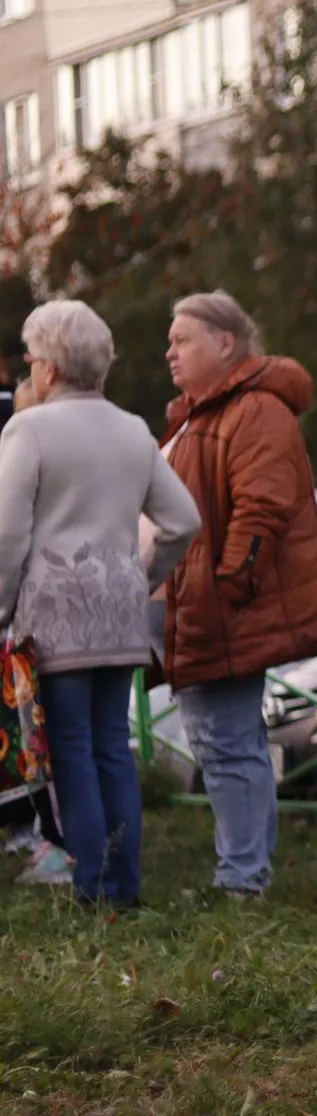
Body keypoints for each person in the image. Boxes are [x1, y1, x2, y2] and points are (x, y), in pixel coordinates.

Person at [0, 301, 201, 906]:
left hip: (54, 612)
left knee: (71, 750)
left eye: (32, 359)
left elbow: (8, 533)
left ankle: (89, 888)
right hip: (119, 612)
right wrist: (138, 578)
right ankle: (125, 887)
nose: (31, 370)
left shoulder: (28, 429)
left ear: (51, 370)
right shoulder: (133, 429)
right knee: (113, 745)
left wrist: (3, 606)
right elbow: (183, 521)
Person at [161, 291, 317, 899]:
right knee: (220, 743)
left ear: (225, 343)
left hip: (223, 607)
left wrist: (226, 586)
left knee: (227, 744)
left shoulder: (255, 410)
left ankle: (243, 879)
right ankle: (242, 872)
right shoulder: (202, 413)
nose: (169, 351)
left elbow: (262, 508)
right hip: (201, 606)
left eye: (182, 339)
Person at [0, 369, 75, 887]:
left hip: (34, 624)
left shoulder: (40, 465)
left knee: (46, 738)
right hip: (45, 622)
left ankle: (58, 841)